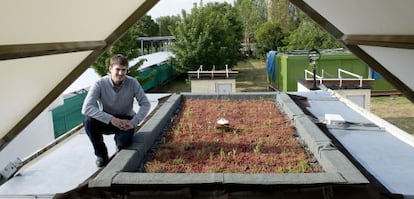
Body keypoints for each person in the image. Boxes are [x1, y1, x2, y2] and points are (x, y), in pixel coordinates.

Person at [81, 54, 151, 167]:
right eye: (117, 69)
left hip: (126, 121)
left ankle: (119, 146)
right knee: (88, 121)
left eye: (124, 70)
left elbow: (145, 104)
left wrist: (134, 122)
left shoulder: (133, 83)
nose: (120, 73)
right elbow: (86, 108)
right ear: (110, 68)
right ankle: (101, 155)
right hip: (107, 120)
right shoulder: (99, 84)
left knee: (123, 143)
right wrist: (111, 119)